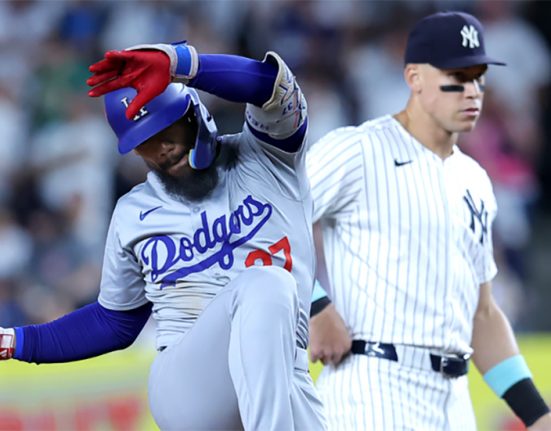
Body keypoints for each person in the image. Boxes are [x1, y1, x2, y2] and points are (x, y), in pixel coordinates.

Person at [0, 40, 327, 431]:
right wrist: (16, 341)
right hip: (188, 383)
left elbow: (268, 85)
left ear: (193, 110)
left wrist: (182, 64)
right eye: (145, 142)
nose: (162, 149)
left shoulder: (270, 156)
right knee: (267, 283)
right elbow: (114, 322)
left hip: (281, 374)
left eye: (166, 126)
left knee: (271, 297)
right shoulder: (134, 212)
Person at [306, 11, 551, 431]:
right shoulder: (357, 151)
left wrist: (537, 413)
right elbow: (264, 224)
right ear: (414, 77)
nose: (472, 90)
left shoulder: (474, 180)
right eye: (457, 75)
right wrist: (314, 305)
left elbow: (483, 315)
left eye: (479, 76)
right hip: (371, 388)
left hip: (453, 403)